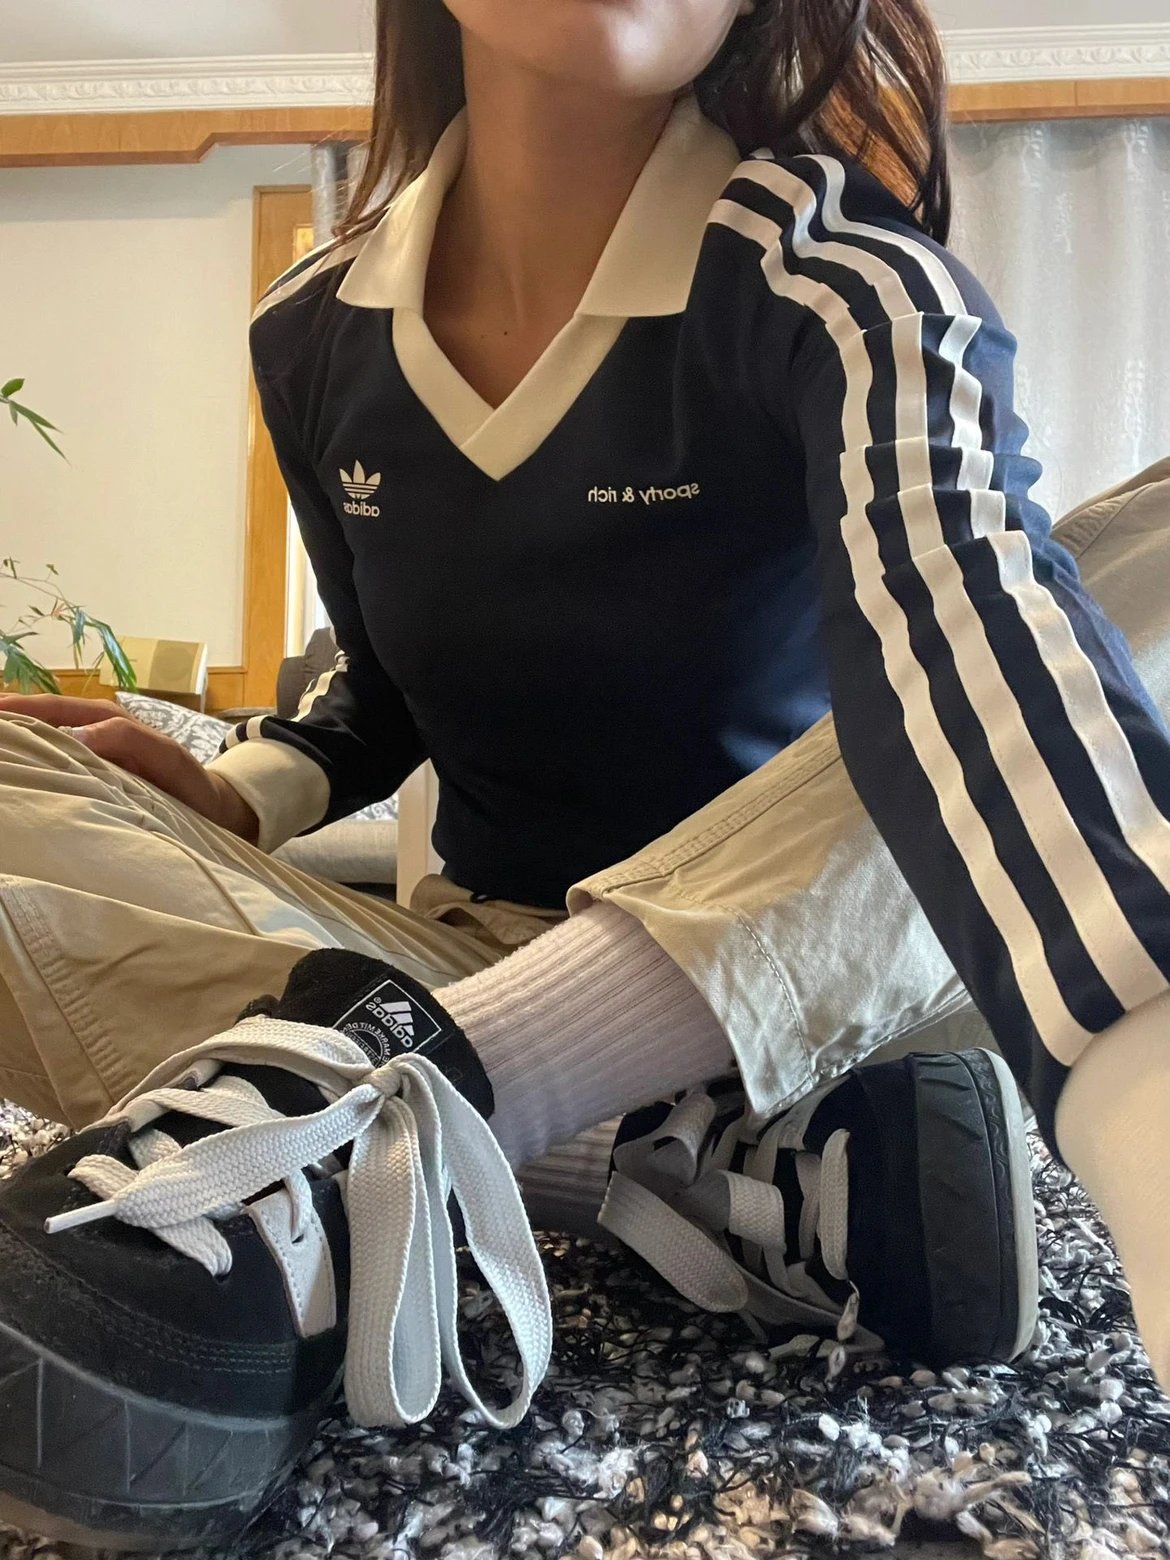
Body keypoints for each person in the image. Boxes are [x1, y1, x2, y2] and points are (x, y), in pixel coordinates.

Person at [0, 0, 1167, 1548]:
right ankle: (651, 1158)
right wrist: (239, 792)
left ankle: (410, 1116)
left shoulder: (838, 278)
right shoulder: (313, 331)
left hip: (842, 982)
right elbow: (380, 687)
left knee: (1092, 594)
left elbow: (969, 641)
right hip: (465, 960)